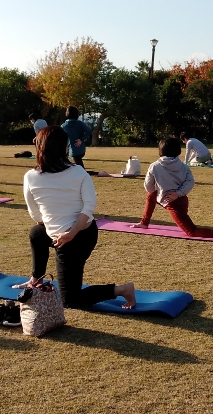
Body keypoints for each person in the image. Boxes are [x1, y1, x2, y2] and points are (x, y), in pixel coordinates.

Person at [13, 126, 136, 309]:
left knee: (70, 300)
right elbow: (37, 215)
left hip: (80, 238)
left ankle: (123, 289)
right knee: (37, 233)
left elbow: (88, 207)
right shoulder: (35, 176)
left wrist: (70, 233)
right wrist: (56, 229)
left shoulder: (76, 173)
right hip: (63, 236)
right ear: (64, 149)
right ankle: (36, 279)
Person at [131, 137, 213, 239]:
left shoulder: (154, 166)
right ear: (178, 151)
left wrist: (166, 193)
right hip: (180, 200)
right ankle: (144, 222)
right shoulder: (183, 166)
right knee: (151, 196)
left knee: (192, 231)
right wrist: (178, 193)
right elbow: (190, 182)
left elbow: (148, 186)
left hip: (174, 204)